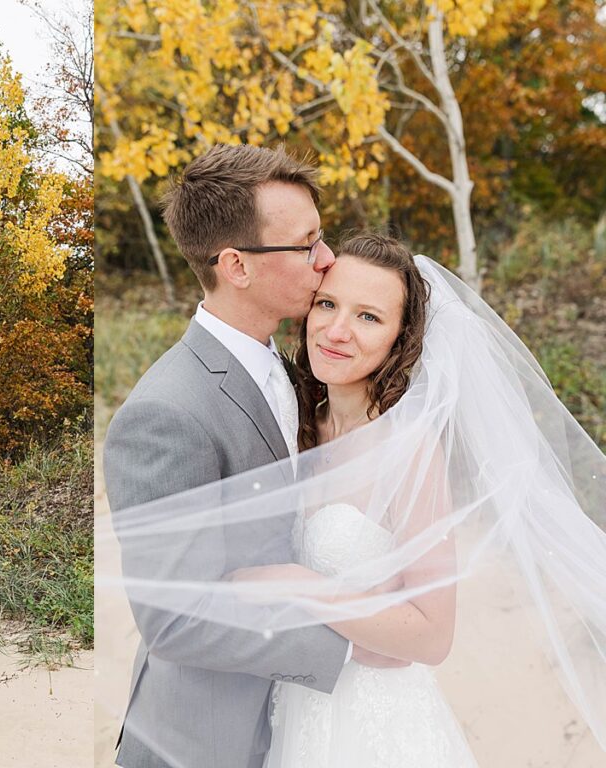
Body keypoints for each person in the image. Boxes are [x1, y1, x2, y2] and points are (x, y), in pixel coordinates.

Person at [102, 145, 406, 768]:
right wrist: (346, 651)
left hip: (293, 730)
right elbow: (174, 620)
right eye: (308, 244)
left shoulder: (300, 372)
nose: (327, 262)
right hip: (203, 744)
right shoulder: (165, 413)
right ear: (237, 265)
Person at [232, 233, 478, 767]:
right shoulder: (293, 424)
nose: (337, 331)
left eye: (369, 317)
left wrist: (302, 588)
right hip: (291, 705)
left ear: (400, 339)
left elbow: (434, 636)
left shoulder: (408, 452)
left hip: (374, 726)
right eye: (327, 304)